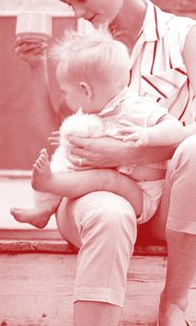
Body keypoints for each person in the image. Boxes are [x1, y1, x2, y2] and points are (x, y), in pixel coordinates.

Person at [12, 0, 196, 326]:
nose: (77, 13)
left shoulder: (184, 37)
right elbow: (59, 139)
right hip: (93, 199)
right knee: (111, 215)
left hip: (168, 207)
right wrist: (35, 68)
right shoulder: (83, 51)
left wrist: (131, 152)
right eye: (68, 4)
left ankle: (175, 300)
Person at [19, 27, 185, 227]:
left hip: (143, 195)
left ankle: (51, 183)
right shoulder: (92, 111)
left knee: (98, 178)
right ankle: (44, 209)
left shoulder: (134, 108)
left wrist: (148, 135)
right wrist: (65, 138)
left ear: (85, 90)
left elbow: (175, 129)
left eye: (65, 92)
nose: (64, 98)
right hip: (116, 191)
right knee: (69, 167)